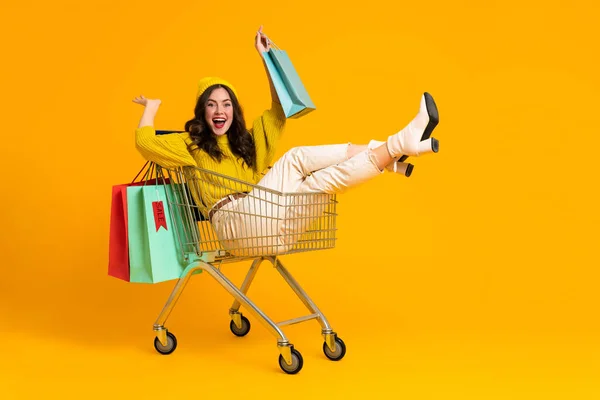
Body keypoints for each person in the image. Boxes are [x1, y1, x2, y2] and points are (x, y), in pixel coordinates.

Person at [132, 26, 440, 256]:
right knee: (296, 158)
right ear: (202, 111)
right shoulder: (191, 145)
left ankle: (396, 148)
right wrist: (152, 107)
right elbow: (145, 142)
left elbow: (280, 109)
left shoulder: (246, 143)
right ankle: (396, 148)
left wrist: (266, 58)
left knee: (320, 182)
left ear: (234, 110)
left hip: (275, 229)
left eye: (226, 104)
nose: (219, 110)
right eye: (211, 104)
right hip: (234, 227)